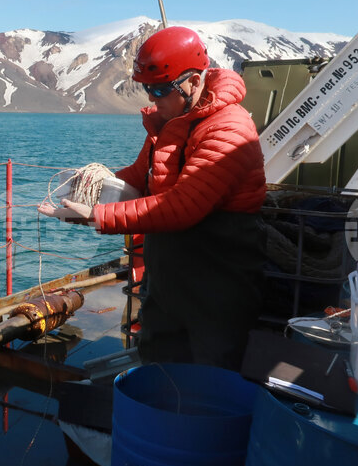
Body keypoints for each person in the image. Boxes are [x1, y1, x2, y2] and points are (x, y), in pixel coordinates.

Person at [42, 26, 266, 369]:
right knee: (159, 359)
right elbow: (142, 175)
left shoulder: (229, 128)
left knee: (212, 371)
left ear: (193, 82)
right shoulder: (172, 120)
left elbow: (182, 207)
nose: (152, 98)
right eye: (147, 88)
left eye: (161, 89)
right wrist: (93, 188)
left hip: (217, 281)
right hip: (168, 279)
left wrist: (98, 215)